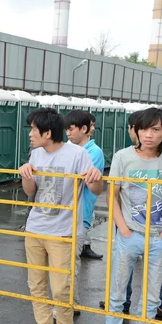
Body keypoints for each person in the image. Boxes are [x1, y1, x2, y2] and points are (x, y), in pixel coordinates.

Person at [101, 108, 162, 324]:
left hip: (158, 237)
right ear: (136, 130)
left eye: (155, 129)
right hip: (129, 235)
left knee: (152, 294)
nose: (148, 135)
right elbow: (111, 195)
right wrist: (123, 228)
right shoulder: (123, 157)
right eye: (144, 129)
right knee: (117, 292)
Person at [20, 108, 103, 324]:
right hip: (35, 228)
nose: (30, 134)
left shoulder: (77, 155)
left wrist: (96, 176)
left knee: (61, 287)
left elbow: (96, 190)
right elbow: (29, 192)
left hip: (63, 231)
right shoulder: (36, 154)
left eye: (34, 129)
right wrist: (26, 173)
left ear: (47, 132)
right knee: (36, 284)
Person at [65, 110, 105, 260]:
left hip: (81, 211)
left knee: (70, 261)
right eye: (66, 129)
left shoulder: (95, 152)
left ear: (84, 129)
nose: (68, 133)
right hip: (62, 211)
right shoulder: (65, 148)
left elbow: (79, 177)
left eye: (71, 129)